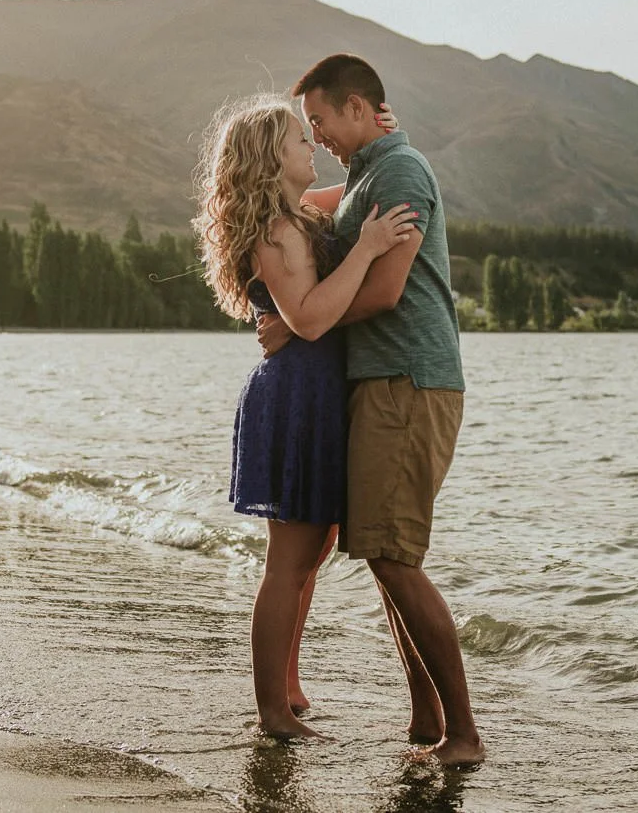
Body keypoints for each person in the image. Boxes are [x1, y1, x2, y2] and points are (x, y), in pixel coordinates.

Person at [259, 53, 485, 766]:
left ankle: (465, 734)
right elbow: (295, 211)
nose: (316, 134)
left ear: (356, 108)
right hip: (380, 382)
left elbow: (386, 291)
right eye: (307, 129)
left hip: (409, 381)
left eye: (320, 120)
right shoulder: (368, 173)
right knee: (385, 556)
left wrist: (302, 321)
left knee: (392, 555)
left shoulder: (399, 173)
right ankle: (426, 718)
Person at [192, 95, 415, 739]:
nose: (311, 144)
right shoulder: (274, 229)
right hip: (296, 398)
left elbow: (356, 189)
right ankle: (271, 711)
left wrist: (380, 141)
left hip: (313, 390)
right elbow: (312, 316)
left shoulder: (295, 213)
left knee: (307, 557)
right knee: (288, 563)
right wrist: (369, 248)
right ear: (271, 158)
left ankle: (286, 686)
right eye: (298, 139)